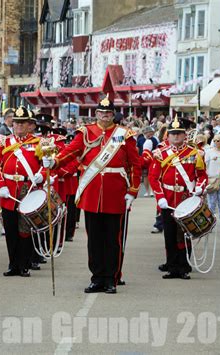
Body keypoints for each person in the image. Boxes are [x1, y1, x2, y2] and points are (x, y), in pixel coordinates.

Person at [45, 96, 142, 294]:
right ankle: (96, 277)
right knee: (94, 239)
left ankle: (111, 279)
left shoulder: (125, 135)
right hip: (92, 192)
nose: (104, 116)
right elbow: (71, 152)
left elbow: (135, 165)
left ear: (113, 115)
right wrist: (54, 162)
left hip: (116, 193)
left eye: (108, 113)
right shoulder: (86, 132)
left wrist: (132, 190)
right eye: (101, 113)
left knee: (113, 239)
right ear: (96, 113)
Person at [148, 116, 207, 279]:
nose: (175, 136)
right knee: (169, 234)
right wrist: (160, 197)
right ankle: (172, 266)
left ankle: (184, 265)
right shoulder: (160, 154)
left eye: (179, 134)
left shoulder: (195, 153)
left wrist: (199, 188)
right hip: (167, 198)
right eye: (172, 133)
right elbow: (154, 177)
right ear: (168, 135)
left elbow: (202, 175)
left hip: (185, 198)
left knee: (184, 234)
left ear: (184, 135)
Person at [0, 106, 44, 277]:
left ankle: (24, 264)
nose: (19, 126)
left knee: (25, 230)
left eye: (23, 123)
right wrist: (1, 186)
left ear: (31, 125)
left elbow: (47, 165)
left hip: (27, 190)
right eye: (16, 123)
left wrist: (41, 176)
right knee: (11, 229)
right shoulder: (5, 142)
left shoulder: (38, 143)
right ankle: (13, 264)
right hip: (9, 192)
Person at [205, 134, 220, 233]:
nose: (216, 142)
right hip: (211, 180)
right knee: (211, 204)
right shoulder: (209, 152)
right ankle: (210, 224)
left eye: (218, 140)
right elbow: (204, 165)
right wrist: (210, 159)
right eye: (214, 141)